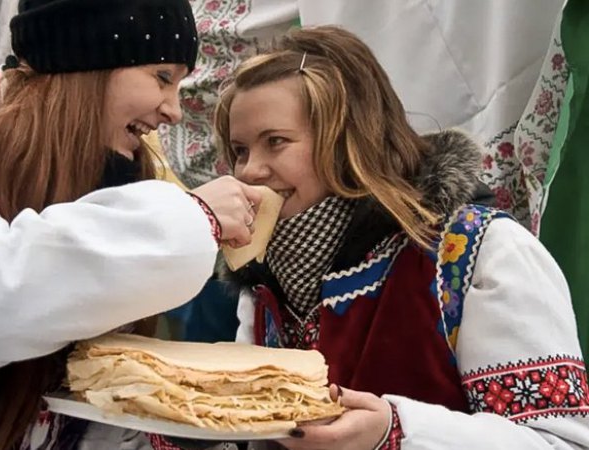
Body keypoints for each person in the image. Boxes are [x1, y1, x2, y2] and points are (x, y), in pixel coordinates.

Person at [154, 26, 589, 450]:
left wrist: (397, 431)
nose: (249, 171)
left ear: (348, 143)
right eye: (241, 151)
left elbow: (555, 441)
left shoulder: (477, 253)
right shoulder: (264, 279)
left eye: (276, 142)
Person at [0, 0, 264, 449]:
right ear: (88, 56)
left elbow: (99, 420)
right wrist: (196, 216)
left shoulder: (101, 170)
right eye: (162, 77)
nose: (174, 111)